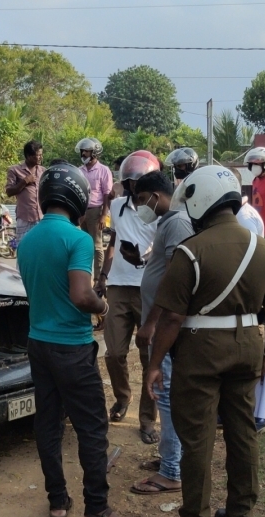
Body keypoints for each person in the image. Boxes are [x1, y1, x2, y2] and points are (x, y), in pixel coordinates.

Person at [146, 166, 265, 517]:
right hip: (247, 349)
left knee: (198, 437)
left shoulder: (191, 251)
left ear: (199, 201)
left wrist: (155, 363)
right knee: (243, 432)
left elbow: (173, 317)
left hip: (200, 352)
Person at [17, 162, 138, 517]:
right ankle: (97, 510)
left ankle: (57, 499)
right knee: (91, 427)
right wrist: (102, 309)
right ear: (77, 197)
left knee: (48, 422)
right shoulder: (79, 239)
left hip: (38, 343)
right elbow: (81, 295)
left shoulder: (27, 240)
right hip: (71, 347)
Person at [132, 170, 192, 496]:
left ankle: (172, 471)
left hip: (166, 323)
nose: (141, 206)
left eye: (142, 200)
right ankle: (171, 458)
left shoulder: (178, 222)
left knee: (167, 395)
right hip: (162, 321)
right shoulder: (168, 222)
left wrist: (151, 322)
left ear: (156, 195)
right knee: (167, 394)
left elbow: (173, 278)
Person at [96, 152, 160, 444]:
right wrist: (102, 276)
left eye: (137, 183)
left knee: (150, 357)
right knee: (114, 353)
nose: (131, 189)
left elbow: (161, 245)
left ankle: (148, 419)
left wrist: (141, 257)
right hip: (119, 287)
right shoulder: (118, 206)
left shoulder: (158, 209)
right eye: (129, 183)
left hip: (148, 287)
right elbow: (113, 242)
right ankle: (123, 398)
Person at [77, 138, 115, 278]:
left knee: (97, 245)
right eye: (82, 151)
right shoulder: (79, 170)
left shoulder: (103, 170)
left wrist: (103, 215)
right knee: (84, 244)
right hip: (81, 211)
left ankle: (98, 278)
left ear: (94, 153)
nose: (83, 154)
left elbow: (107, 194)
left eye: (86, 151)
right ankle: (85, 275)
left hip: (96, 210)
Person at [6, 141, 46, 241]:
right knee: (23, 247)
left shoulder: (43, 171)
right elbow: (9, 191)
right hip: (25, 218)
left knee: (40, 248)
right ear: (28, 156)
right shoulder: (14, 170)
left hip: (42, 218)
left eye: (41, 154)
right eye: (38, 155)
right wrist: (25, 181)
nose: (41, 157)